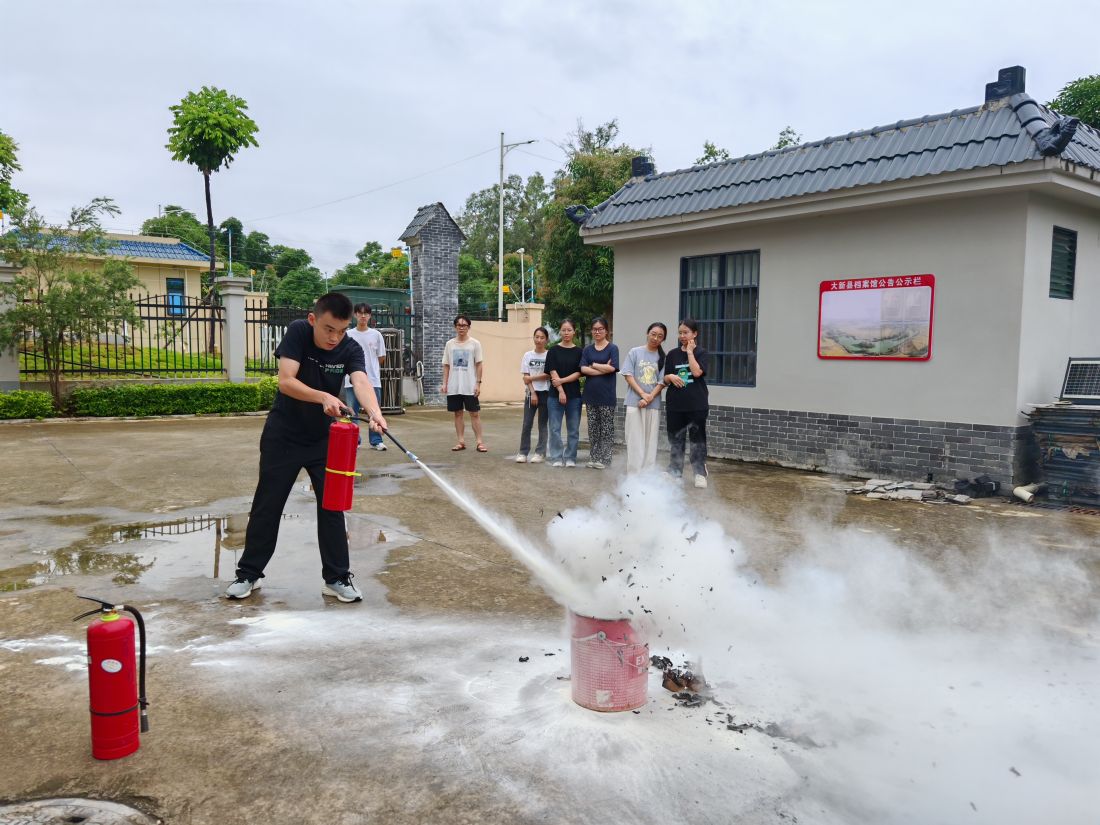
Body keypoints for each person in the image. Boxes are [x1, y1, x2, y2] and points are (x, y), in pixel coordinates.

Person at [226, 292, 387, 602]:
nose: (334, 337)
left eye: (341, 330)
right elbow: (286, 381)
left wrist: (375, 413)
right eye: (328, 329)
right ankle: (249, 574)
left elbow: (361, 381)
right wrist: (324, 396)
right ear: (314, 319)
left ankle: (337, 578)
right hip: (283, 435)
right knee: (267, 505)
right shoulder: (299, 331)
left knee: (332, 508)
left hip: (324, 441)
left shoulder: (349, 346)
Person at [663, 318, 710, 488]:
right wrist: (670, 377)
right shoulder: (672, 354)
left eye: (686, 332)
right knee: (676, 439)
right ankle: (675, 471)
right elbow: (665, 378)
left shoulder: (701, 352)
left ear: (695, 334)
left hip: (696, 404)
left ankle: (699, 473)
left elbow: (697, 373)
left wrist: (690, 352)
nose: (682, 336)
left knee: (697, 439)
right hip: (675, 404)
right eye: (680, 332)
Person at [622, 322, 667, 473]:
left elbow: (661, 382)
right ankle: (633, 476)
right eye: (653, 334)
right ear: (647, 333)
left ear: (663, 339)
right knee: (635, 441)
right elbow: (628, 375)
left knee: (650, 442)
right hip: (634, 403)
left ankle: (647, 477)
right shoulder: (635, 352)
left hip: (652, 405)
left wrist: (649, 398)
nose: (655, 338)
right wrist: (642, 394)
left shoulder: (662, 358)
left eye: (660, 336)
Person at [343, 302, 387, 451]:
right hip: (351, 381)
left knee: (374, 411)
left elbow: (381, 357)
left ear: (370, 316)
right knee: (352, 412)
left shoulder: (376, 335)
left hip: (373, 380)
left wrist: (370, 368)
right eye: (360, 313)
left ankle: (376, 440)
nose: (363, 316)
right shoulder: (348, 334)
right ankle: (355, 440)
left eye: (366, 313)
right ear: (355, 315)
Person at [441, 314, 487, 452]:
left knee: (474, 413)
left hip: (470, 385)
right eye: (459, 325)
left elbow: (479, 364)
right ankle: (460, 441)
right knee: (458, 413)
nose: (461, 328)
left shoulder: (475, 344)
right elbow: (446, 365)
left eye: (464, 325)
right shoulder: (450, 344)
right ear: (455, 327)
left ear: (469, 327)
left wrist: (478, 383)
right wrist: (445, 383)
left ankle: (479, 442)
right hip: (454, 385)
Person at [580, 316, 619, 469]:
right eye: (595, 329)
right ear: (592, 331)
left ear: (606, 331)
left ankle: (605, 460)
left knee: (606, 429)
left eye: (600, 329)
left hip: (607, 396)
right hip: (591, 395)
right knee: (593, 429)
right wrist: (603, 369)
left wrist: (594, 364)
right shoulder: (587, 349)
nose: (597, 332)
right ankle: (594, 457)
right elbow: (583, 369)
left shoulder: (612, 348)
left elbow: (613, 368)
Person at [545, 318, 583, 468]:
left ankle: (570, 457)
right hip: (555, 396)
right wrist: (560, 390)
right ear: (560, 331)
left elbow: (579, 373)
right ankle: (556, 456)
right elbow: (552, 371)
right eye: (563, 330)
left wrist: (561, 381)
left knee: (573, 429)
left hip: (574, 396)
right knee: (554, 428)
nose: (566, 333)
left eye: (569, 330)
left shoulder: (580, 351)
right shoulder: (553, 350)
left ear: (574, 332)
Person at [516, 326, 550, 463]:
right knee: (527, 423)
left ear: (546, 340)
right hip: (531, 394)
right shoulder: (528, 355)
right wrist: (533, 392)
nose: (539, 340)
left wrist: (532, 378)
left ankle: (540, 453)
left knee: (542, 424)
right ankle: (523, 452)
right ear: (534, 338)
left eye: (542, 337)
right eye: (537, 337)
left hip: (546, 393)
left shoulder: (549, 355)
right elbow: (526, 377)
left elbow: (548, 375)